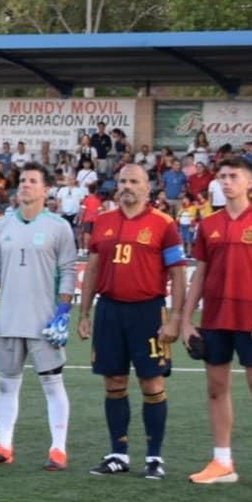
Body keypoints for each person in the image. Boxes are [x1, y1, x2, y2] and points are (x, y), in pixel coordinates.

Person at [179, 156, 252, 490]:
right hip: (215, 318)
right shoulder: (209, 225)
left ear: (249, 182)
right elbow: (200, 274)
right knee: (216, 389)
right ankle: (222, 461)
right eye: (222, 177)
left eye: (232, 176)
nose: (225, 182)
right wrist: (185, 320)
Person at [77, 163, 187, 480]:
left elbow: (178, 274)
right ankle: (118, 453)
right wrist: (84, 313)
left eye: (134, 181)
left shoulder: (163, 224)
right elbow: (93, 271)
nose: (127, 186)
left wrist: (176, 318)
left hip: (148, 311)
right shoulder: (103, 222)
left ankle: (154, 458)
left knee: (152, 382)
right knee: (114, 383)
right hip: (109, 311)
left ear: (147, 188)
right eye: (122, 181)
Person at [0, 163, 79, 470]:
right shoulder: (2, 226)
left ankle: (58, 450)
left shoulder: (58, 227)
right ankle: (3, 445)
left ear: (46, 190)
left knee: (52, 382)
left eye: (32, 181)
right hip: (9, 318)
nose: (25, 186)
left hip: (44, 320)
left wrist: (63, 312)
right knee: (7, 383)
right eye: (22, 181)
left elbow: (68, 272)